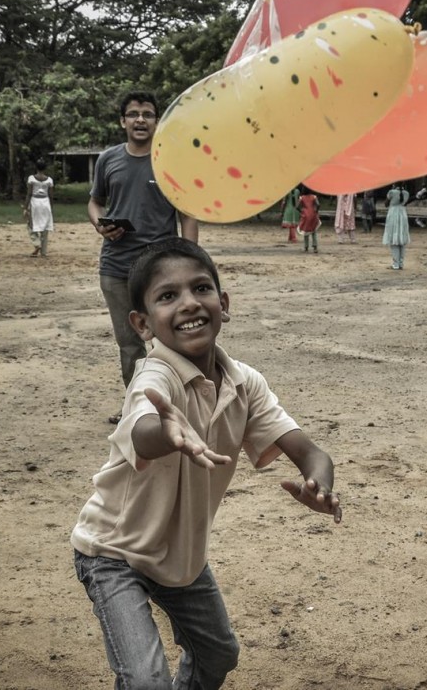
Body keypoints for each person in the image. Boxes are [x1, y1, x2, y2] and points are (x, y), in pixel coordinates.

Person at [71, 237, 342, 689]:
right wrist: (167, 433)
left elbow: (311, 452)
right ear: (142, 323)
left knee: (218, 654)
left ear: (224, 302)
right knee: (144, 680)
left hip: (181, 557)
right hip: (114, 553)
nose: (189, 303)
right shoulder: (156, 375)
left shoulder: (244, 382)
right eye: (167, 296)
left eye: (201, 288)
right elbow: (143, 429)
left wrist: (320, 484)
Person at [87, 89, 199, 397]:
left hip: (159, 268)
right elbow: (95, 202)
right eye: (134, 114)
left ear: (157, 121)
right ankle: (139, 406)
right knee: (129, 342)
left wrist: (191, 261)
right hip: (115, 266)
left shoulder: (170, 160)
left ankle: (182, 401)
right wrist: (100, 224)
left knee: (168, 337)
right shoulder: (108, 159)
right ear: (123, 121)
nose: (140, 120)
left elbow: (187, 215)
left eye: (147, 114)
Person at [24, 159, 54, 257]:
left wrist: (25, 207)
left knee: (31, 224)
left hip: (35, 202)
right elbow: (51, 195)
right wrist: (51, 207)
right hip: (45, 203)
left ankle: (37, 244)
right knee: (45, 227)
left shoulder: (31, 179)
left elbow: (29, 194)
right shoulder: (49, 180)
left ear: (36, 167)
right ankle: (44, 252)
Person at [382, 183, 411, 270]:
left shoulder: (391, 192)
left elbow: (386, 204)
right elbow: (404, 203)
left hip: (393, 214)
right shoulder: (406, 193)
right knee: (401, 240)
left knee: (394, 239)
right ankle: (401, 263)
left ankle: (395, 264)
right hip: (403, 215)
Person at [297, 184, 320, 253]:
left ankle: (306, 247)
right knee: (314, 231)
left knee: (305, 231)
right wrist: (316, 210)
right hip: (313, 214)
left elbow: (297, 206)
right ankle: (315, 247)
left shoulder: (302, 197)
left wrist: (301, 211)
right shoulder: (314, 197)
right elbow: (318, 204)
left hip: (305, 215)